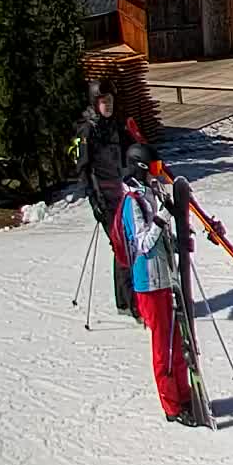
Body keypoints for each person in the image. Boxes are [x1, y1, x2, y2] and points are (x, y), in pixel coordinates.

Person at [112, 162, 194, 425]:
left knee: (176, 343)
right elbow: (143, 244)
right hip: (148, 283)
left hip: (164, 278)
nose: (157, 172)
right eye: (154, 167)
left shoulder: (148, 195)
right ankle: (171, 406)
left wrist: (177, 232)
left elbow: (159, 237)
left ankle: (184, 396)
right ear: (140, 168)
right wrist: (162, 217)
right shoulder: (131, 202)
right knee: (163, 348)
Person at [74, 80, 138, 320]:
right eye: (103, 102)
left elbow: (131, 149)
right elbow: (83, 169)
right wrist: (95, 201)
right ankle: (130, 303)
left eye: (110, 101)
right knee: (122, 246)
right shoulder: (88, 130)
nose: (108, 106)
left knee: (128, 244)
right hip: (104, 197)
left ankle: (127, 300)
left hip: (121, 192)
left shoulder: (113, 126)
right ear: (94, 102)